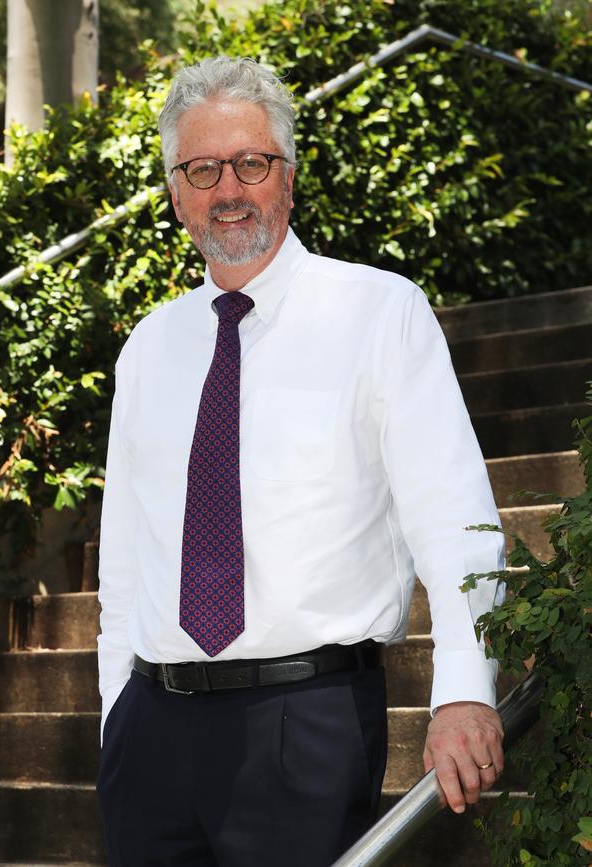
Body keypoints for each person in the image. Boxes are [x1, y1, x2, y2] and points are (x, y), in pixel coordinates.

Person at [96, 55, 506, 867]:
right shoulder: (150, 347)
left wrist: (463, 686)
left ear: (288, 176)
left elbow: (453, 515)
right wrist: (115, 710)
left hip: (304, 721)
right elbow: (124, 558)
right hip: (150, 732)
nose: (230, 189)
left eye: (252, 162)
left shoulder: (380, 311)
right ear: (177, 193)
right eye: (203, 168)